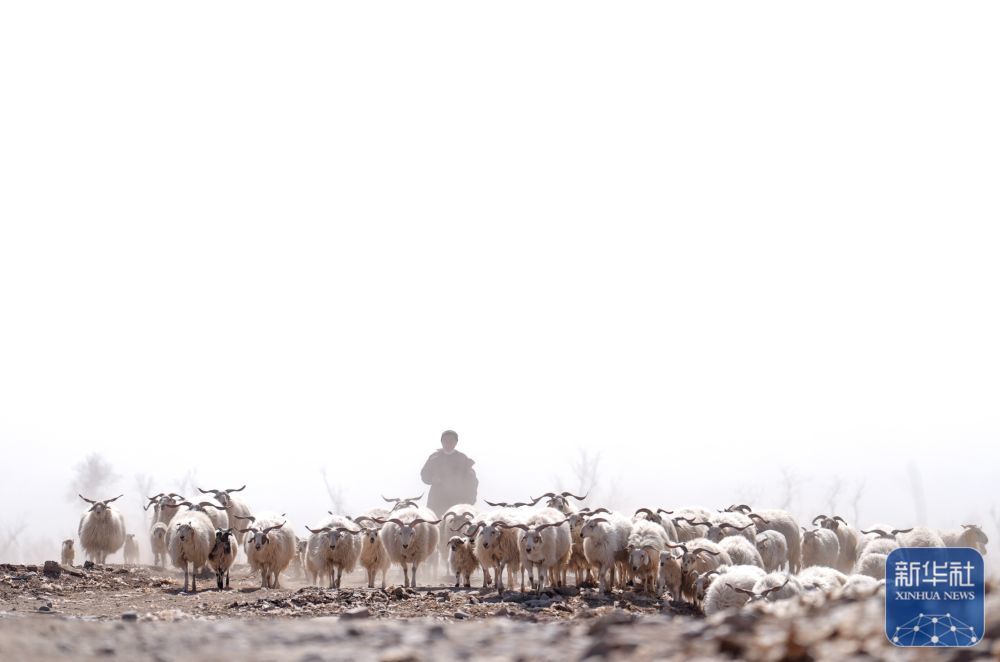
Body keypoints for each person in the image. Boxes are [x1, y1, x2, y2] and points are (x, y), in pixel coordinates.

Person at [420, 429, 478, 517]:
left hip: (457, 502)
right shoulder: (434, 458)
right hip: (436, 501)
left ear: (456, 442)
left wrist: (470, 499)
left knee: (455, 524)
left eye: (451, 440)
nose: (448, 443)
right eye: (445, 440)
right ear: (441, 442)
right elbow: (424, 474)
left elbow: (472, 480)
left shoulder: (462, 458)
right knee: (435, 522)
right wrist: (432, 479)